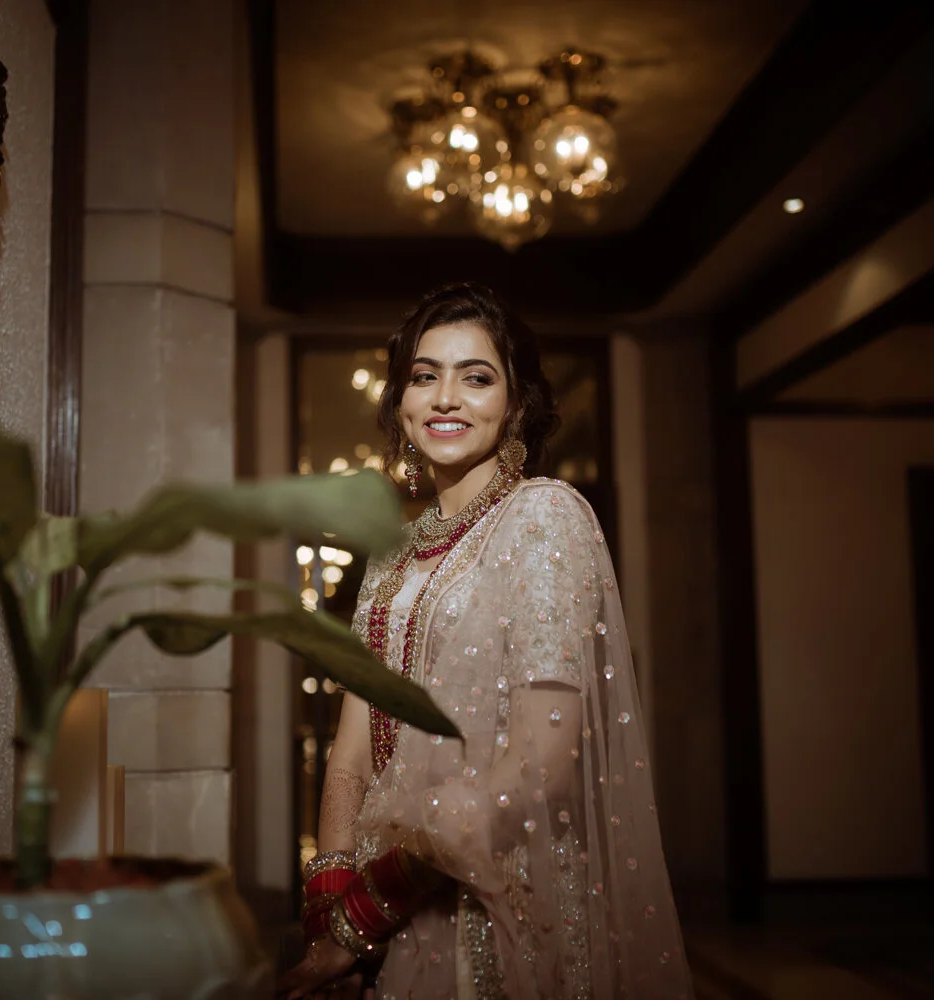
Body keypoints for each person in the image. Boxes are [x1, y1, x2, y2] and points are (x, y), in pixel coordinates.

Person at [278, 283, 693, 1000]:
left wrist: (368, 908)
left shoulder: (542, 520)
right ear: (400, 405)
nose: (445, 397)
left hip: (492, 899)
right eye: (423, 375)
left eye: (476, 377)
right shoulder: (390, 557)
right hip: (382, 909)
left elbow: (542, 764)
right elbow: (349, 757)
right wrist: (330, 910)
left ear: (518, 405)